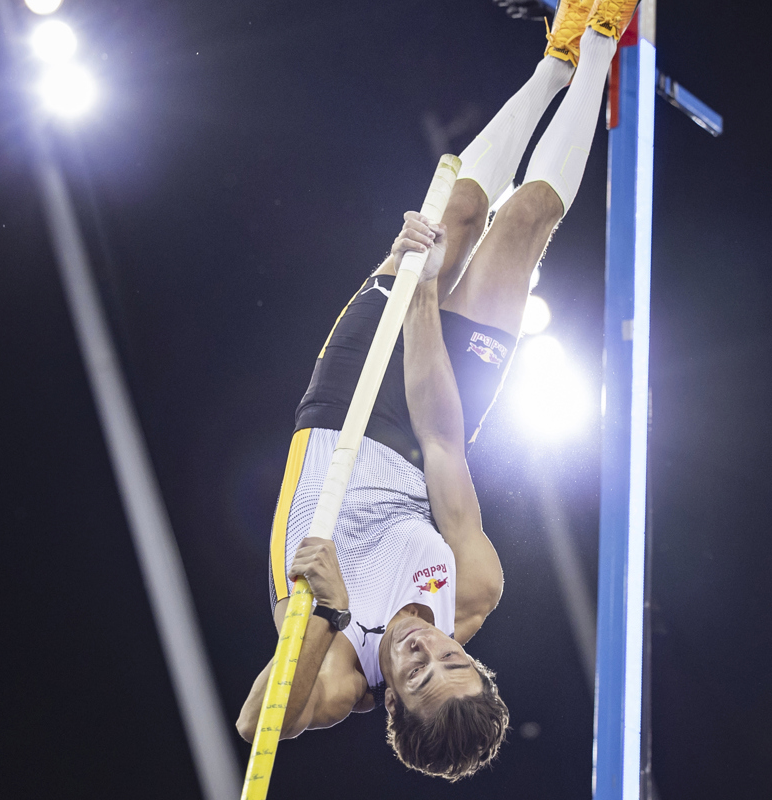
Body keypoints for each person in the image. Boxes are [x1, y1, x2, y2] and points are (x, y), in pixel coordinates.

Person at [236, 0, 639, 781]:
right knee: (521, 222)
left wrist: (329, 611)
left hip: (344, 404)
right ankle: (588, 46)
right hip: (427, 423)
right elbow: (445, 445)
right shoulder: (474, 590)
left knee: (453, 219)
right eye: (453, 658)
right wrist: (422, 301)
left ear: (393, 701)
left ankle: (555, 62)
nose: (426, 648)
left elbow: (261, 725)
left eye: (418, 672)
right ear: (473, 656)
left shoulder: (345, 678)